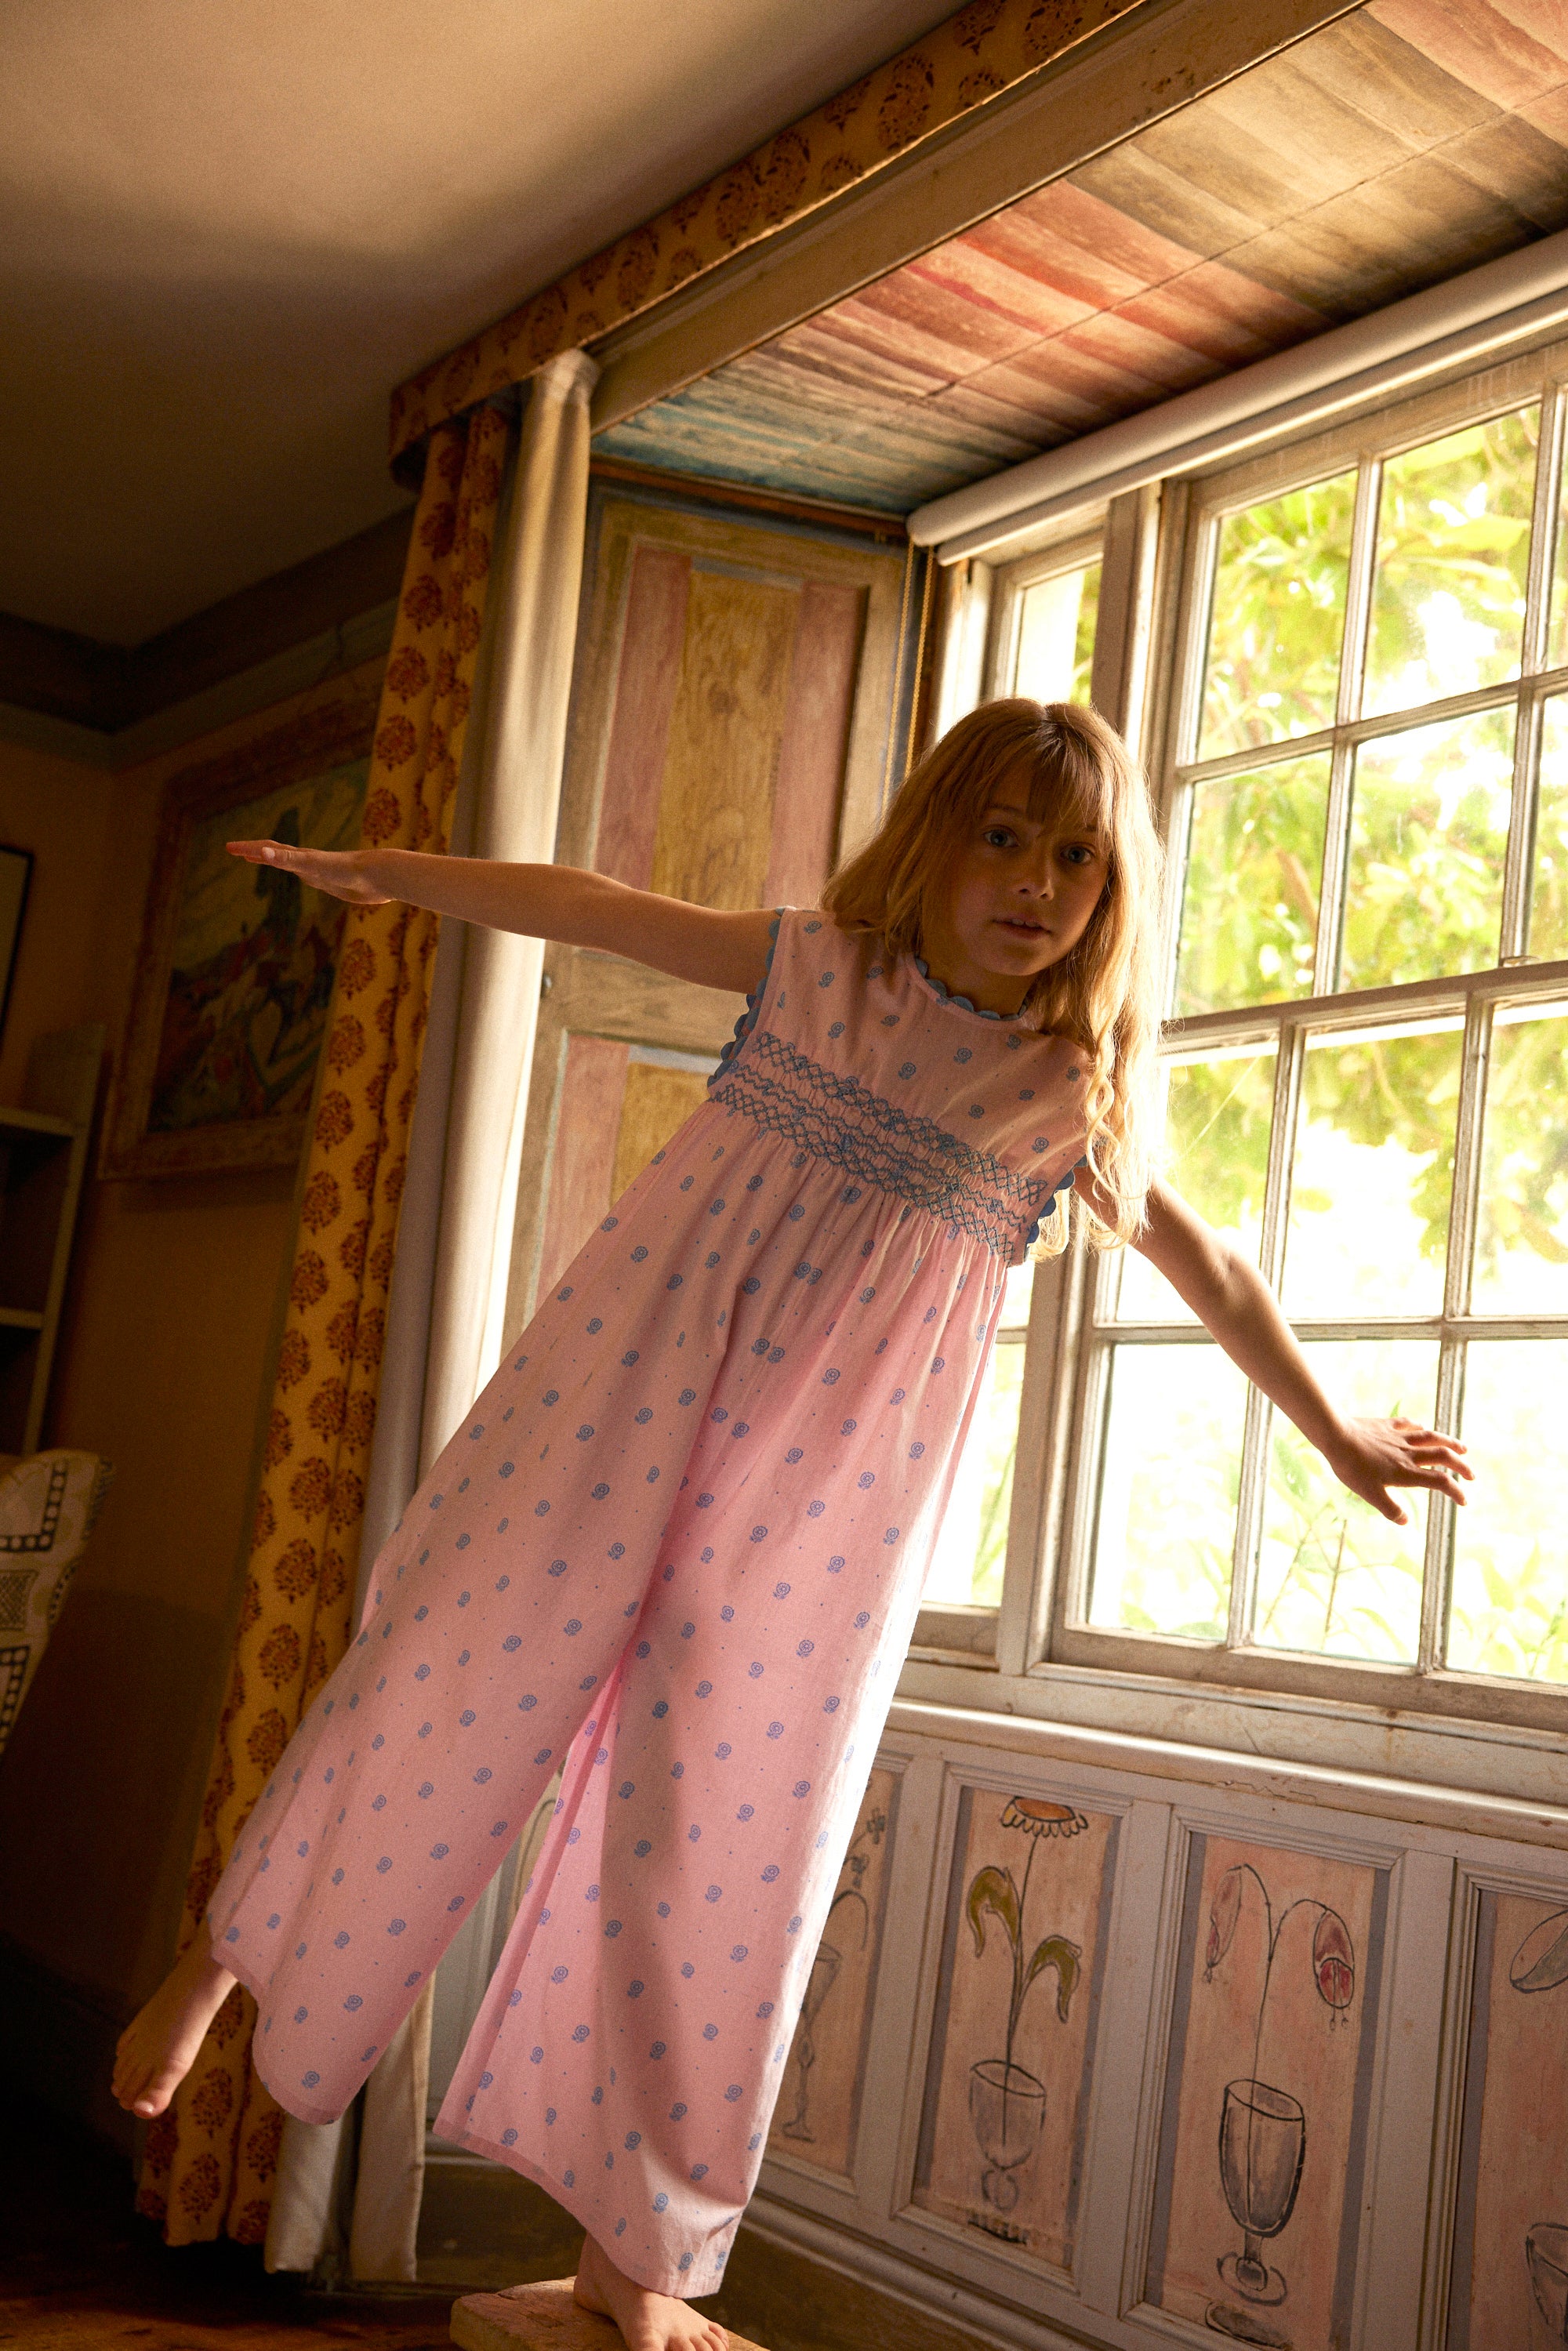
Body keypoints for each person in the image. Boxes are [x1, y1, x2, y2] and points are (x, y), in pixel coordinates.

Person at [112, 700, 1469, 2351]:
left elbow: (1215, 1265)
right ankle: (227, 1960)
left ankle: (636, 2255)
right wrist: (389, 871)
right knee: (443, 1653)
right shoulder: (819, 971)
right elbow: (589, 905)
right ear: (933, 840)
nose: (1036, 883)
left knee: (725, 1840)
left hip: (822, 1503)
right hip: (624, 1383)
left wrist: (1332, 1430)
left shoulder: (1065, 1097)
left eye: (1076, 858)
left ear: (1112, 895)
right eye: (1001, 838)